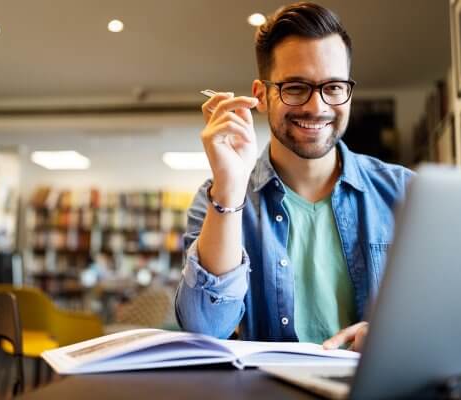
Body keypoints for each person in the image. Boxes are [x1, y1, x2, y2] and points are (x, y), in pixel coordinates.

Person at [175, 2, 413, 351]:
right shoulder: (217, 200)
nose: (316, 107)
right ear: (261, 95)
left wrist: (394, 335)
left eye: (332, 87)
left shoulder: (406, 193)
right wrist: (229, 186)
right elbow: (204, 330)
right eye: (296, 87)